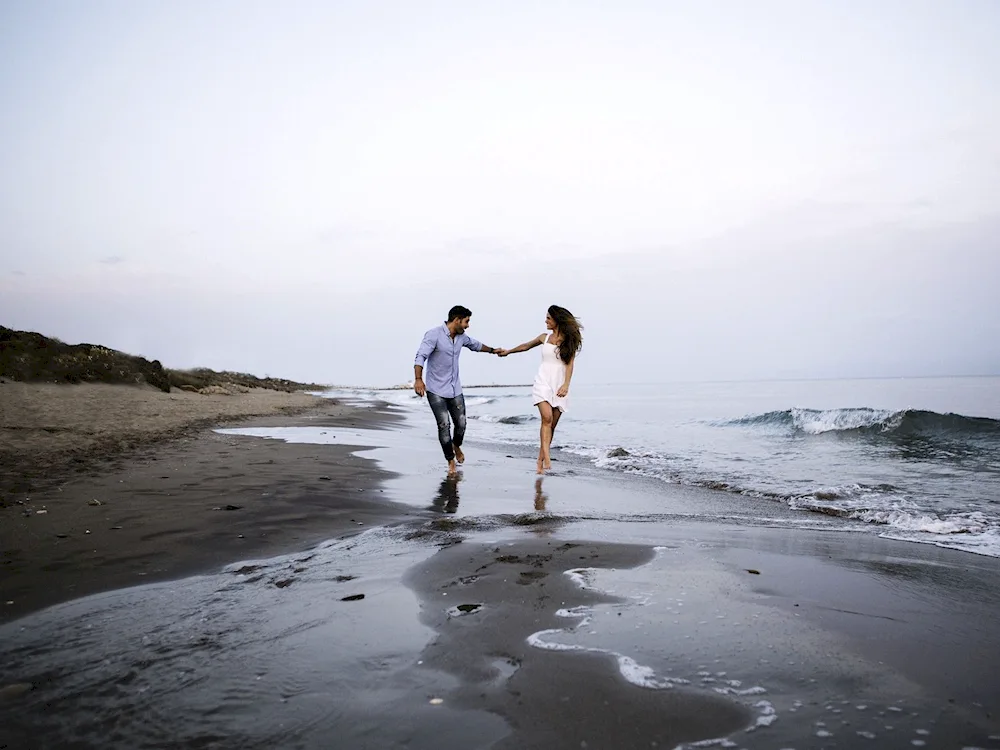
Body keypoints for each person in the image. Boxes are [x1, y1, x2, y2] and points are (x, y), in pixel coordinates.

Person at [414, 305, 502, 475]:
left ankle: (456, 445)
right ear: (456, 320)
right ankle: (450, 461)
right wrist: (418, 379)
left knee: (461, 424)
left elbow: (475, 345)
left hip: (455, 389)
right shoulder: (434, 334)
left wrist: (493, 351)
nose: (468, 325)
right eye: (466, 321)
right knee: (444, 425)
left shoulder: (461, 337)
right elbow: (421, 356)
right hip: (436, 390)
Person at [498, 305, 583, 473]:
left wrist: (566, 385)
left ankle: (540, 461)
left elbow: (570, 364)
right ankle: (548, 458)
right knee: (546, 418)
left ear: (557, 320)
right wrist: (508, 351)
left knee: (552, 425)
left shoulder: (569, 341)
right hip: (542, 382)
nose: (546, 321)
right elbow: (525, 346)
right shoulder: (544, 338)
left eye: (548, 318)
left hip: (559, 385)